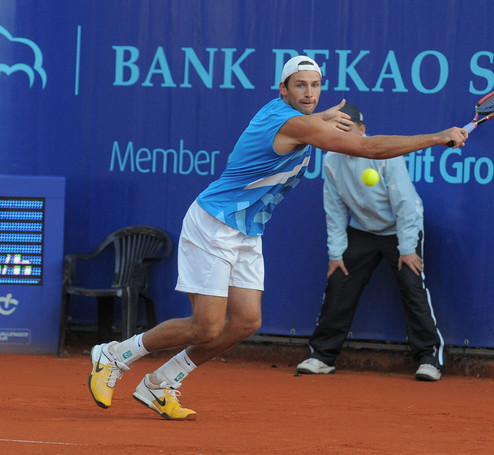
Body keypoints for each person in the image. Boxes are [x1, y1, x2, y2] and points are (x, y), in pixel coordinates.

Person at [88, 56, 467, 420]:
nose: (309, 93)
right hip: (214, 224)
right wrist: (437, 137)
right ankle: (115, 355)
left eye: (315, 86)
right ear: (282, 90)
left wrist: (320, 116)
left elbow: (310, 121)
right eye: (299, 86)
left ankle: (161, 382)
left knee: (245, 322)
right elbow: (367, 147)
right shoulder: (296, 124)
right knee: (206, 326)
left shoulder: (291, 115)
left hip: (248, 231)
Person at [296, 102, 445, 381]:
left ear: (362, 130)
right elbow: (335, 210)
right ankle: (322, 356)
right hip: (363, 230)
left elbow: (405, 205)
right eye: (338, 128)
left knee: (412, 287)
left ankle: (429, 359)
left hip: (401, 229)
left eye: (348, 127)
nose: (343, 133)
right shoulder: (331, 160)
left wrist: (408, 248)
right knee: (339, 282)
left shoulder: (385, 154)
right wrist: (336, 254)